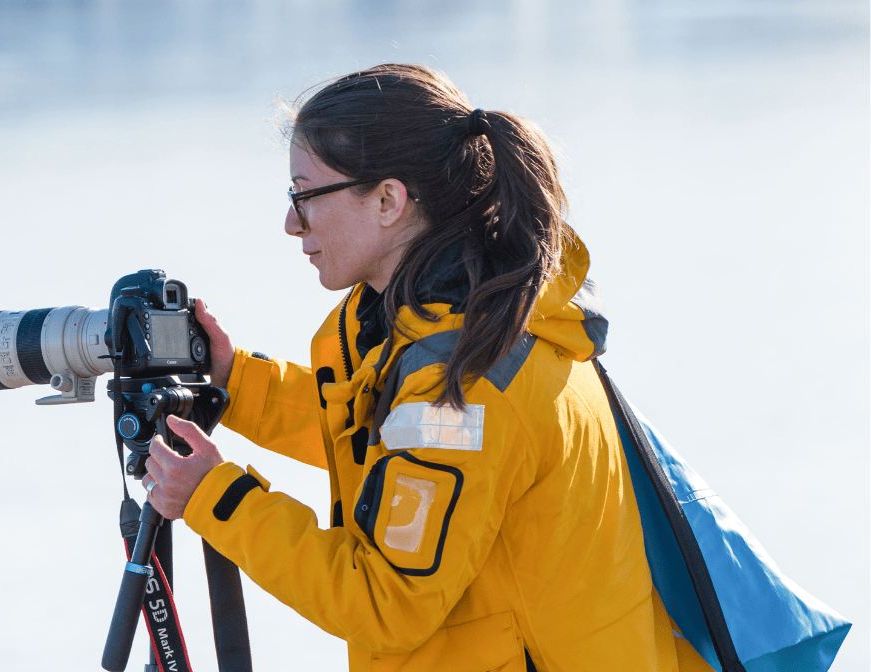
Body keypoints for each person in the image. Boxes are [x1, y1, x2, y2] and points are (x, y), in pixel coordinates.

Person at [139, 64, 711, 671]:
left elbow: (384, 603)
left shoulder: (467, 382)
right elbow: (382, 441)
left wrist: (217, 497)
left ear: (388, 200)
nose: (290, 223)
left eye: (303, 196)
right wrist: (235, 378)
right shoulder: (474, 319)